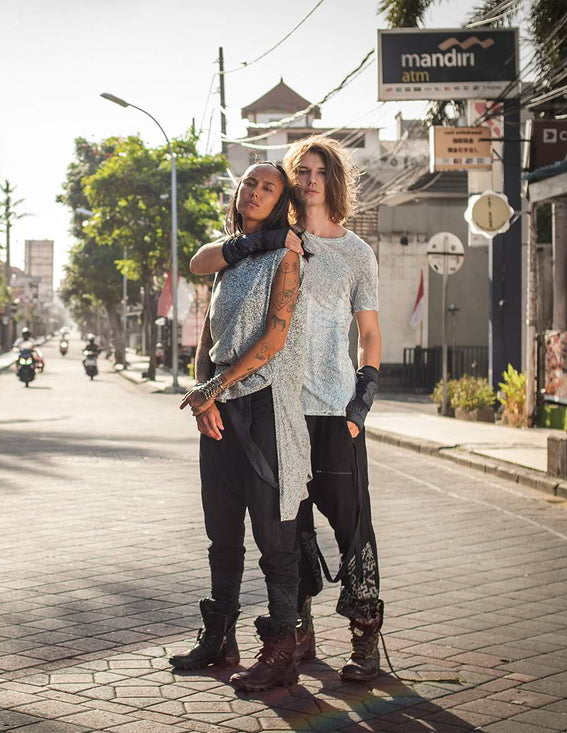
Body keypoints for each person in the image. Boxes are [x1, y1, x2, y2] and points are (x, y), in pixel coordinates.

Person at [188, 136, 384, 682]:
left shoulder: (354, 253)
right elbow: (220, 301)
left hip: (333, 408)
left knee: (351, 527)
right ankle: (296, 635)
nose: (311, 179)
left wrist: (359, 402)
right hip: (279, 406)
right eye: (302, 170)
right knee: (287, 529)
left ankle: (366, 637)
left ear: (334, 181)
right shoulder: (272, 246)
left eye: (322, 170)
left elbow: (369, 334)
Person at [169, 162, 312, 692]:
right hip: (222, 407)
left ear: (280, 201)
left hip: (265, 408)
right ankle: (220, 637)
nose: (254, 191)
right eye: (249, 183)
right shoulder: (230, 259)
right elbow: (211, 336)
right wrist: (205, 392)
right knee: (221, 531)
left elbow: (274, 340)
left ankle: (281, 653)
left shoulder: (287, 255)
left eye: (268, 187)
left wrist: (217, 388)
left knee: (275, 535)